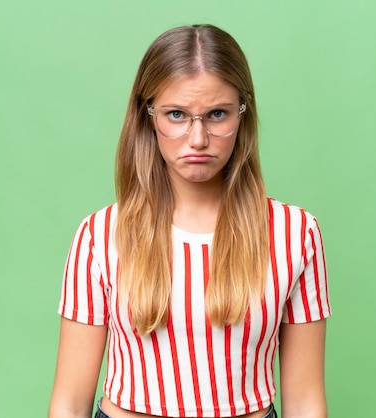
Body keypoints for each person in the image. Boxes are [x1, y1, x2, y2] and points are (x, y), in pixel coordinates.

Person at [49, 24, 331, 418]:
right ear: (148, 116)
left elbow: (304, 402)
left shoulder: (296, 233)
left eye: (217, 114)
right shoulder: (100, 236)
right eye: (177, 115)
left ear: (242, 114)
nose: (197, 139)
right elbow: (69, 403)